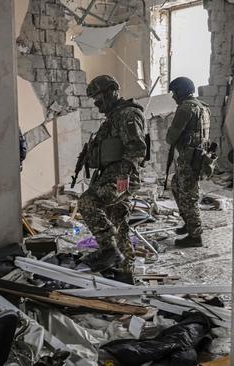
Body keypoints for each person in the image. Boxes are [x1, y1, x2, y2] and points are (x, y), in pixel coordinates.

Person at [78, 75, 147, 283]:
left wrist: (122, 178)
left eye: (99, 98)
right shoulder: (114, 117)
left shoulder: (127, 115)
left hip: (121, 177)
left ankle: (109, 250)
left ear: (111, 92)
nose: (97, 104)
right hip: (112, 174)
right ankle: (127, 272)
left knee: (87, 202)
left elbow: (136, 149)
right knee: (119, 221)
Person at [165, 77, 211, 247]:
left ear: (182, 92)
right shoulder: (202, 107)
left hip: (190, 159)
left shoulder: (185, 109)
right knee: (177, 185)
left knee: (188, 195)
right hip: (198, 156)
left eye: (174, 93)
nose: (173, 97)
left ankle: (195, 235)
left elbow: (171, 137)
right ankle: (189, 223)